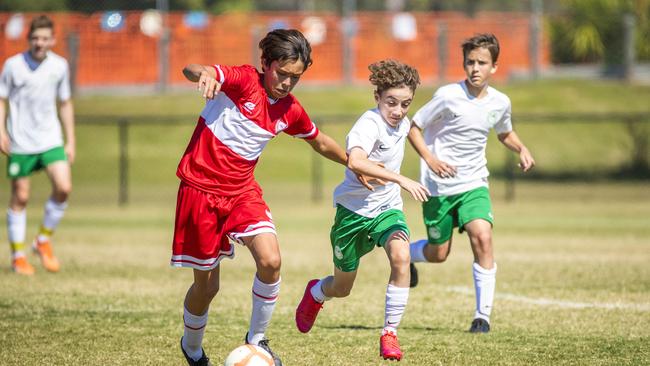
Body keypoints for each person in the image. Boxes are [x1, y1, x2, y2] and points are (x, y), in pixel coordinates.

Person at [173, 29, 375, 366]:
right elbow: (194, 69)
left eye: (295, 77)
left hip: (241, 192)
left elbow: (320, 140)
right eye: (281, 73)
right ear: (265, 63)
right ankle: (192, 349)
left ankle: (257, 341)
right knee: (207, 288)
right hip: (200, 192)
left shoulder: (289, 110)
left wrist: (353, 163)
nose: (286, 83)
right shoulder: (241, 81)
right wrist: (205, 74)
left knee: (271, 260)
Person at [294, 59, 430, 361]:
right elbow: (355, 160)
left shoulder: (403, 122)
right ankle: (316, 293)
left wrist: (430, 158)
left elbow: (410, 132)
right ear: (377, 97)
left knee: (401, 257)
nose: (398, 111)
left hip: (387, 210)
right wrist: (401, 179)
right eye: (391, 102)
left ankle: (389, 333)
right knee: (342, 288)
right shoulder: (368, 124)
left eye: (405, 104)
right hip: (352, 214)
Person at [406, 33, 535, 333]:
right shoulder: (448, 96)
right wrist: (430, 158)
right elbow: (414, 127)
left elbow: (505, 132)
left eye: (482, 63)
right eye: (470, 62)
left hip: (474, 184)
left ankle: (482, 317)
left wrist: (522, 147)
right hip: (438, 187)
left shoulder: (501, 102)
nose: (475, 68)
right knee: (439, 254)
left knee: (483, 237)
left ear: (494, 67)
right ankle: (409, 255)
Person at [0, 15, 75, 276]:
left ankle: (42, 240)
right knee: (20, 196)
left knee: (64, 188)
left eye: (44, 38)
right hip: (20, 140)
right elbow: (2, 99)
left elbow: (65, 103)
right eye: (35, 38)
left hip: (50, 139)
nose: (39, 43)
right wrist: (0, 131)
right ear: (28, 39)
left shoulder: (59, 66)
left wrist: (71, 140)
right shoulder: (13, 66)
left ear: (52, 40)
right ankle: (18, 256)